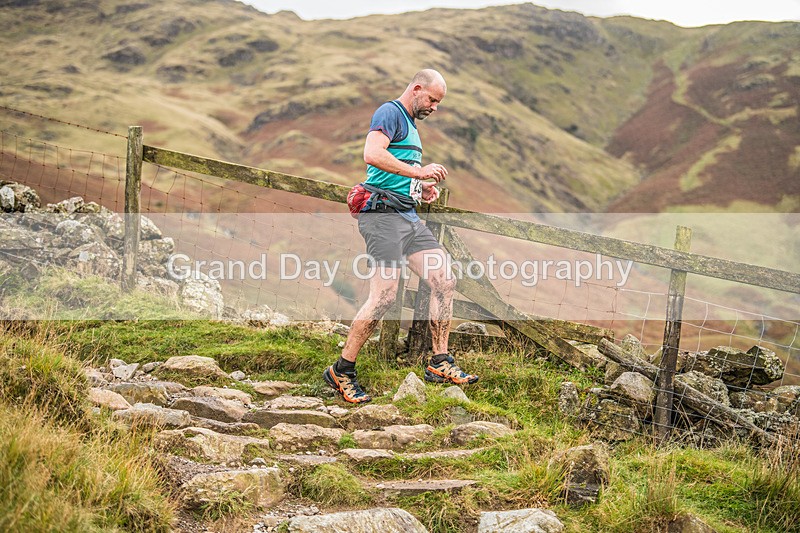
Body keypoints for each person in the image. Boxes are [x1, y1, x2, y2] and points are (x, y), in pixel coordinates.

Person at [323, 69, 479, 404]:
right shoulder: (390, 112)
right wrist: (419, 171)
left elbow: (393, 168)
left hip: (407, 215)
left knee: (444, 278)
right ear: (417, 88)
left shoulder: (411, 127)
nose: (434, 107)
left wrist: (419, 188)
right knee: (385, 295)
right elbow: (373, 154)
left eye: (438, 103)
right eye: (432, 100)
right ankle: (342, 370)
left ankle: (439, 362)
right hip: (382, 215)